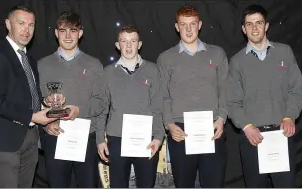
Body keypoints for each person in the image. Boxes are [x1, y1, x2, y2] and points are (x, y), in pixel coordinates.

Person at [227, 4, 302, 188]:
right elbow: (232, 101)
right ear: (243, 29)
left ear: (266, 26)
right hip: (253, 139)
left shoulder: (284, 52)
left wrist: (289, 116)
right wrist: (246, 127)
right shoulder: (237, 62)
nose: (255, 28)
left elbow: (296, 90)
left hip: (282, 134)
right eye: (250, 24)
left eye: (259, 22)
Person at [0, 4, 57, 187]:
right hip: (6, 140)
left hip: (30, 138)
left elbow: (26, 95)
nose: (27, 30)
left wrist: (44, 104)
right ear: (8, 24)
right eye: (21, 23)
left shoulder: (28, 59)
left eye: (31, 25)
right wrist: (31, 116)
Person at [156, 4, 228, 188]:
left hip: (212, 128)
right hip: (180, 132)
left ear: (200, 25)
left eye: (192, 24)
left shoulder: (217, 53)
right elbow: (163, 96)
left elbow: (225, 90)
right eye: (183, 24)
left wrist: (221, 119)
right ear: (176, 26)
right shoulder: (165, 58)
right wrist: (169, 125)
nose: (188, 29)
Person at [38, 11, 104, 187]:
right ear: (55, 32)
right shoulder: (42, 65)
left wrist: (79, 110)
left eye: (73, 30)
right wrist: (45, 124)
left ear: (80, 33)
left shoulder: (94, 64)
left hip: (86, 137)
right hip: (55, 136)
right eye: (63, 30)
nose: (68, 36)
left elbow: (101, 102)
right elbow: (35, 102)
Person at [96, 25, 165, 188]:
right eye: (124, 41)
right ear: (117, 45)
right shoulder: (107, 73)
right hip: (117, 138)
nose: (128, 46)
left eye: (133, 41)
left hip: (146, 139)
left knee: (146, 185)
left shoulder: (153, 70)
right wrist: (100, 139)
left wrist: (158, 137)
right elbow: (101, 109)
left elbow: (158, 106)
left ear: (139, 44)